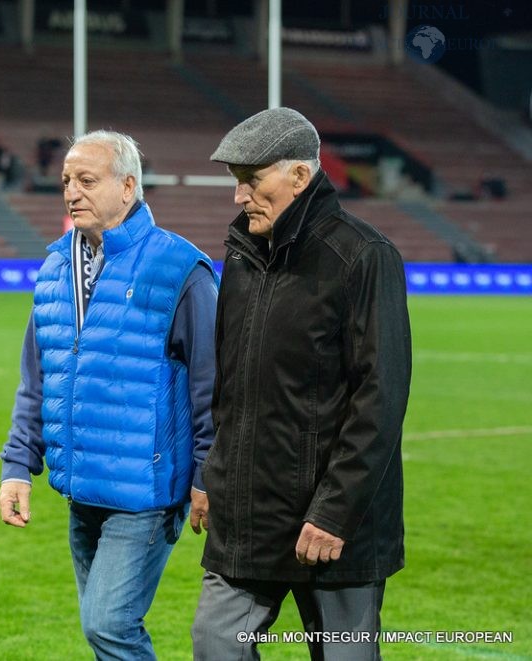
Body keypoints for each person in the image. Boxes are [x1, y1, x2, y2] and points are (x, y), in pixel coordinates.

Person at [191, 108, 412, 661]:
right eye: (237, 184)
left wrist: (335, 512)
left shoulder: (364, 256)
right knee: (216, 648)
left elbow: (379, 400)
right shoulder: (240, 257)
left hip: (336, 525)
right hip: (248, 514)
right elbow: (231, 387)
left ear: (299, 175)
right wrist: (209, 474)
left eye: (252, 181)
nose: (239, 198)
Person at [0, 130, 218, 659]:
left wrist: (208, 475)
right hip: (82, 488)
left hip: (146, 493)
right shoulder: (54, 270)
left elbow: (215, 384)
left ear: (128, 187)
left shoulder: (180, 270)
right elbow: (37, 380)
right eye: (67, 181)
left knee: (109, 626)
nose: (72, 192)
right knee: (103, 633)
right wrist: (16, 467)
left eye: (87, 180)